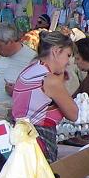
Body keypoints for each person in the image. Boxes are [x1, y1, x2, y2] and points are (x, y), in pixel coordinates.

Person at [12, 30, 80, 161]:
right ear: (56, 51)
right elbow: (73, 114)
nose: (69, 62)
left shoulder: (30, 69)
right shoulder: (49, 80)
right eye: (68, 55)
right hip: (39, 140)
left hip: (20, 136)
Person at [0, 23, 36, 107]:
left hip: (21, 112)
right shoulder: (1, 56)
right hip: (0, 110)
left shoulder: (32, 58)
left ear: (10, 41)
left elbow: (40, 91)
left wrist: (18, 92)